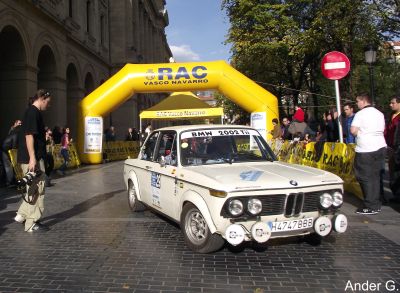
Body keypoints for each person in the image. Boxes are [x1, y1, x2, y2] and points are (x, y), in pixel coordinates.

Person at [15, 89, 51, 232]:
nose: (48, 105)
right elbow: (29, 136)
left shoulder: (33, 112)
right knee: (37, 190)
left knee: (34, 188)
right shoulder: (33, 112)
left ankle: (22, 215)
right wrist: (32, 158)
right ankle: (31, 223)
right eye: (48, 102)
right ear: (42, 98)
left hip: (33, 157)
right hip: (32, 159)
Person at [350, 93, 387, 215]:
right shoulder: (379, 113)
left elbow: (353, 130)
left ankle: (369, 205)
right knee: (376, 176)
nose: (356, 104)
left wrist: (360, 132)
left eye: (357, 101)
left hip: (365, 148)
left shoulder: (360, 114)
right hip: (380, 146)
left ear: (363, 101)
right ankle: (376, 203)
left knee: (364, 177)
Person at [385, 96, 400, 203]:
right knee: (392, 173)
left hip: (397, 149)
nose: (390, 105)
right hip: (390, 148)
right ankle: (396, 194)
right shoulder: (391, 116)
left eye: (393, 103)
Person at [1, 121, 21, 186]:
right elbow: (14, 146)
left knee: (8, 166)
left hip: (6, 149)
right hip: (5, 150)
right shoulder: (15, 133)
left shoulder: (14, 132)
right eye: (19, 123)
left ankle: (9, 180)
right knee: (8, 166)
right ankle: (9, 182)